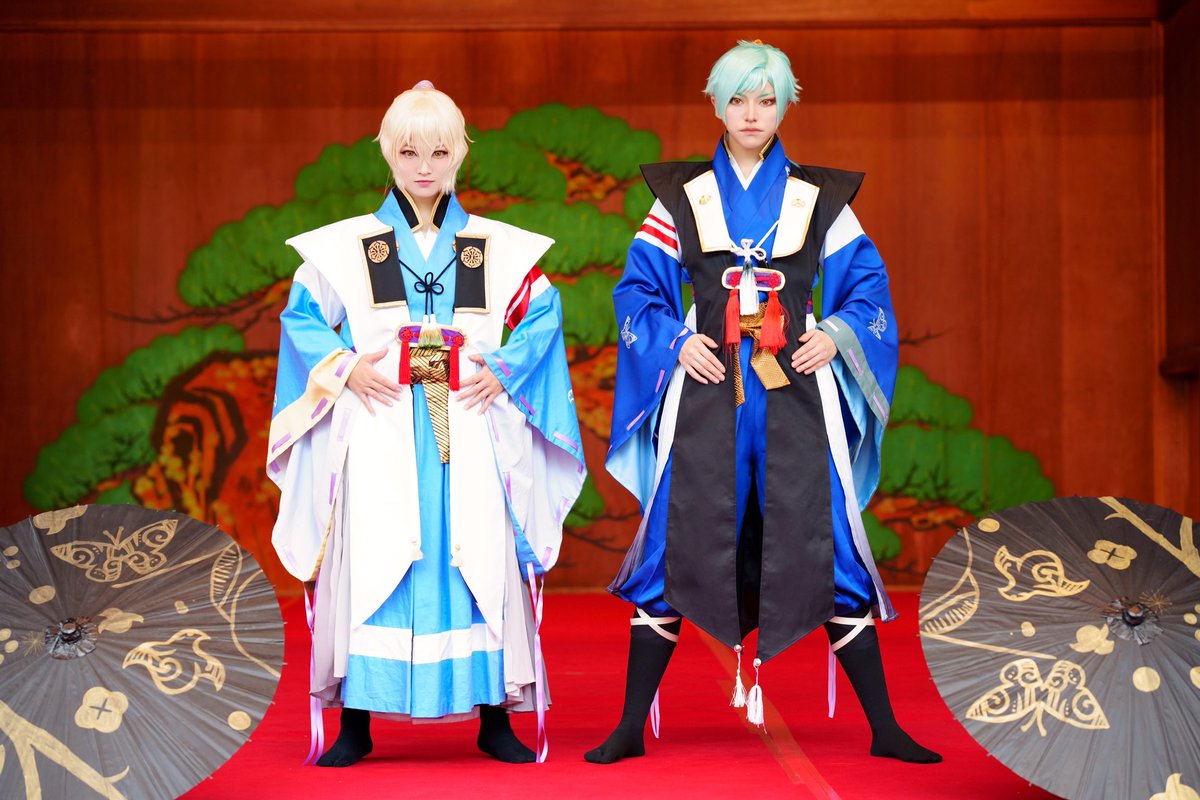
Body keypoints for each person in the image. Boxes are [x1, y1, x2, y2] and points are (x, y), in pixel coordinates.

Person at [586, 41, 940, 765]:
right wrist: (673, 340)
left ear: (785, 107)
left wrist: (836, 334)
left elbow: (868, 290)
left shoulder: (819, 198)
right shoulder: (680, 196)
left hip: (796, 392)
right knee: (675, 542)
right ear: (716, 106)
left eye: (767, 100)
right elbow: (637, 291)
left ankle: (885, 728)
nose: (752, 114)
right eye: (738, 100)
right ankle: (627, 728)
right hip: (707, 389)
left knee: (826, 543)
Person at [266, 83, 585, 767]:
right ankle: (357, 721)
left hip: (467, 425)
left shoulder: (490, 246)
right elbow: (301, 318)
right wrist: (347, 367)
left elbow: (544, 314)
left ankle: (493, 715)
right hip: (381, 426)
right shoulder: (350, 246)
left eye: (439, 152)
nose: (424, 167)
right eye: (409, 152)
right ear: (388, 153)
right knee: (377, 557)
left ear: (459, 155)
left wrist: (505, 369)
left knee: (476, 556)